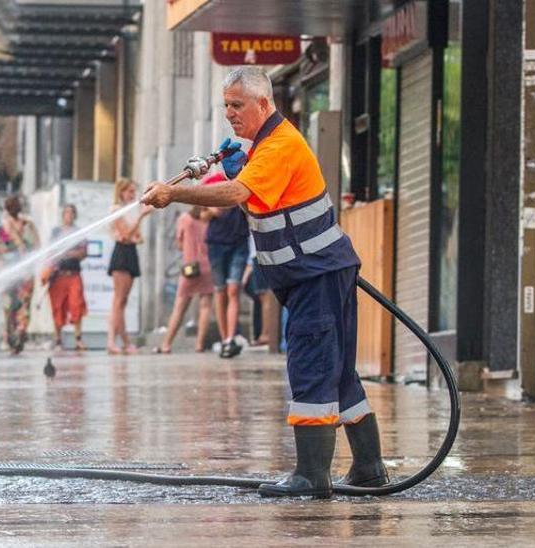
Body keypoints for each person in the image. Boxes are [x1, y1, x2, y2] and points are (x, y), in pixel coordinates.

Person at [141, 66, 385, 499]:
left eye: (238, 105)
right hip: (321, 272)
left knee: (311, 368)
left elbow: (237, 195)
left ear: (264, 104)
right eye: (226, 106)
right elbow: (258, 200)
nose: (230, 115)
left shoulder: (280, 146)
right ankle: (368, 468)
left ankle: (311, 475)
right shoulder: (266, 149)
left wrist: (174, 193)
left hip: (316, 276)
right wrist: (239, 168)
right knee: (339, 373)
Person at [202, 171, 251, 359]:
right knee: (220, 291)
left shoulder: (244, 181)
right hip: (216, 243)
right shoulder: (214, 181)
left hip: (239, 240)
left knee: (233, 289)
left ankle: (230, 338)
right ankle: (225, 339)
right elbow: (202, 215)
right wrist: (211, 209)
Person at [155, 206, 214, 353]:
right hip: (208, 266)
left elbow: (180, 244)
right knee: (205, 305)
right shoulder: (208, 220)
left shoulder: (184, 219)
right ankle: (199, 345)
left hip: (190, 267)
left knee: (180, 306)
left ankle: (166, 344)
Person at [107, 178, 153, 355]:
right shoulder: (116, 210)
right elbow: (126, 235)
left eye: (134, 191)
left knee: (122, 301)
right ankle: (113, 341)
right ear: (121, 192)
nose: (133, 195)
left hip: (130, 252)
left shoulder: (130, 211)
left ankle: (123, 342)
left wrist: (135, 229)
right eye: (130, 191)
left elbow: (138, 237)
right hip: (122, 253)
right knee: (118, 300)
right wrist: (141, 216)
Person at [0, 195, 39, 355]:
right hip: (25, 271)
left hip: (7, 272)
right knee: (23, 304)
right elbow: (37, 246)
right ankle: (20, 331)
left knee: (7, 306)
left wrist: (4, 251)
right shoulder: (28, 224)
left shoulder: (0, 227)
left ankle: (9, 337)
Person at [45, 204, 88, 351]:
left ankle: (78, 338)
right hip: (58, 276)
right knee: (57, 307)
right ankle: (57, 338)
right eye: (66, 213)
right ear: (62, 215)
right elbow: (51, 252)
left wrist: (66, 253)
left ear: (74, 215)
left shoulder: (78, 232)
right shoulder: (56, 232)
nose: (69, 215)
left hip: (74, 274)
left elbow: (83, 253)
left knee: (77, 305)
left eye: (71, 213)